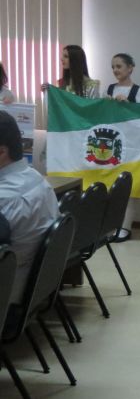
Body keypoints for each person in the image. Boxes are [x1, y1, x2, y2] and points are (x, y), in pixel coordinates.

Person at [0, 111, 59, 304]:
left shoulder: (5, 199)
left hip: (9, 293)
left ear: (2, 152)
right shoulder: (36, 178)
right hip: (38, 285)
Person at [106, 53, 140, 242]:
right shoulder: (109, 89)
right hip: (112, 145)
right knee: (112, 186)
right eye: (113, 67)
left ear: (130, 68)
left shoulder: (139, 92)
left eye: (119, 66)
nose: (115, 70)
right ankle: (112, 226)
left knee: (130, 188)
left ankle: (125, 227)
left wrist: (129, 105)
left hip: (132, 146)